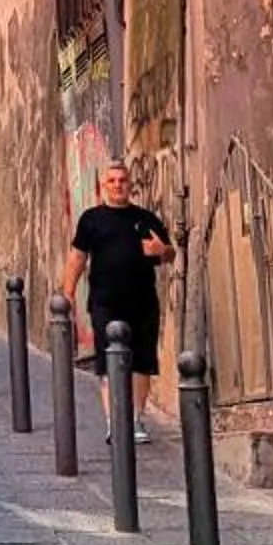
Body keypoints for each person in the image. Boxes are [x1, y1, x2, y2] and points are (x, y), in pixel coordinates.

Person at [61, 162, 174, 441]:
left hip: (143, 302)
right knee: (108, 361)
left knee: (142, 363)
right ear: (104, 185)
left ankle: (135, 419)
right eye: (112, 180)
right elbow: (77, 258)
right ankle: (114, 421)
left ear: (130, 184)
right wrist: (68, 295)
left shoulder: (146, 218)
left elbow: (168, 254)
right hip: (105, 302)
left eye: (122, 180)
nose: (118, 185)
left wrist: (163, 251)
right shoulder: (91, 219)